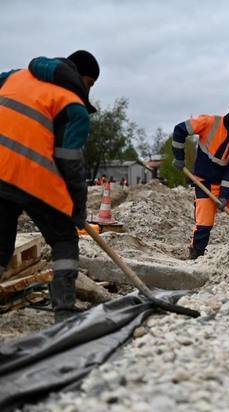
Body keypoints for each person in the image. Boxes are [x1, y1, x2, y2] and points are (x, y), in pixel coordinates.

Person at [0, 50, 99, 322]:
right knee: (64, 238)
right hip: (34, 178)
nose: (87, 90)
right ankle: (64, 312)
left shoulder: (15, 77)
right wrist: (77, 210)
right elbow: (72, 165)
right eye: (90, 83)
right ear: (81, 77)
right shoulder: (73, 107)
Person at [172, 97, 229, 259]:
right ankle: (195, 254)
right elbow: (179, 130)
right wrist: (179, 157)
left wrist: (225, 195)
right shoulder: (209, 122)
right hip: (203, 182)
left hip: (226, 183)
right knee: (204, 224)